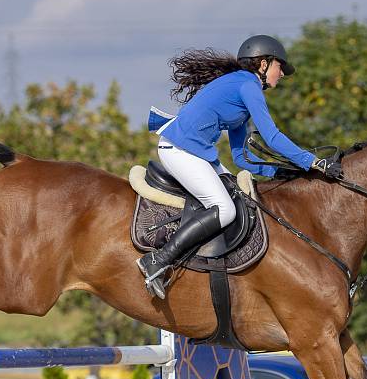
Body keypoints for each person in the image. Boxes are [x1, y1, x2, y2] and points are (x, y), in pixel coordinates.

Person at [137, 34, 344, 299]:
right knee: (224, 210)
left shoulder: (241, 90)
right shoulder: (248, 86)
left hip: (197, 154)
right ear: (263, 64)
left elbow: (241, 157)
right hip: (180, 151)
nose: (281, 75)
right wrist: (313, 162)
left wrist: (278, 172)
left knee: (239, 197)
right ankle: (158, 260)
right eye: (280, 67)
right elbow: (272, 136)